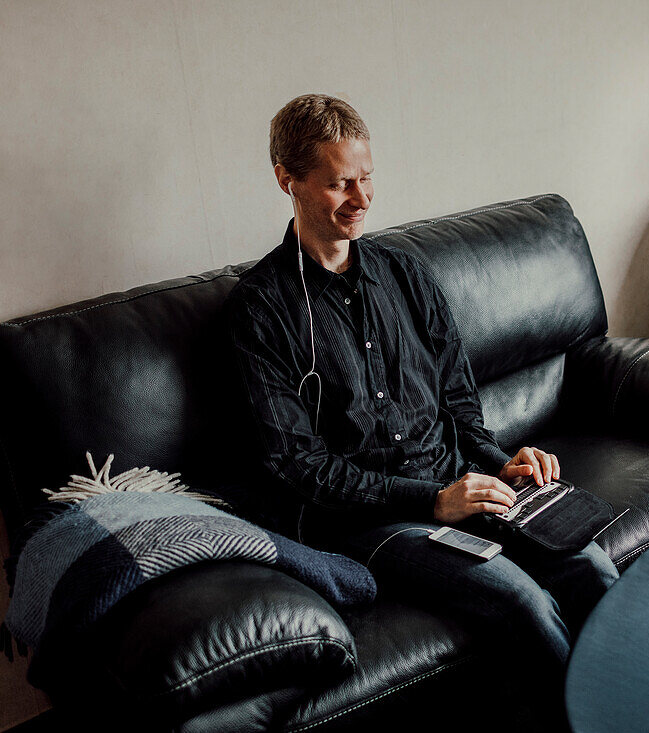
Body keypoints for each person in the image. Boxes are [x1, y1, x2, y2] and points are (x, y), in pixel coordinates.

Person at [224, 94, 618, 695]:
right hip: (372, 521)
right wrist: (434, 500)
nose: (360, 200)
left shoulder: (407, 274)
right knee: (522, 601)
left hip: (462, 480)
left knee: (588, 565)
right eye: (338, 185)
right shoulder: (261, 309)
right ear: (288, 180)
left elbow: (460, 402)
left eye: (366, 178)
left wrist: (498, 462)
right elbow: (299, 466)